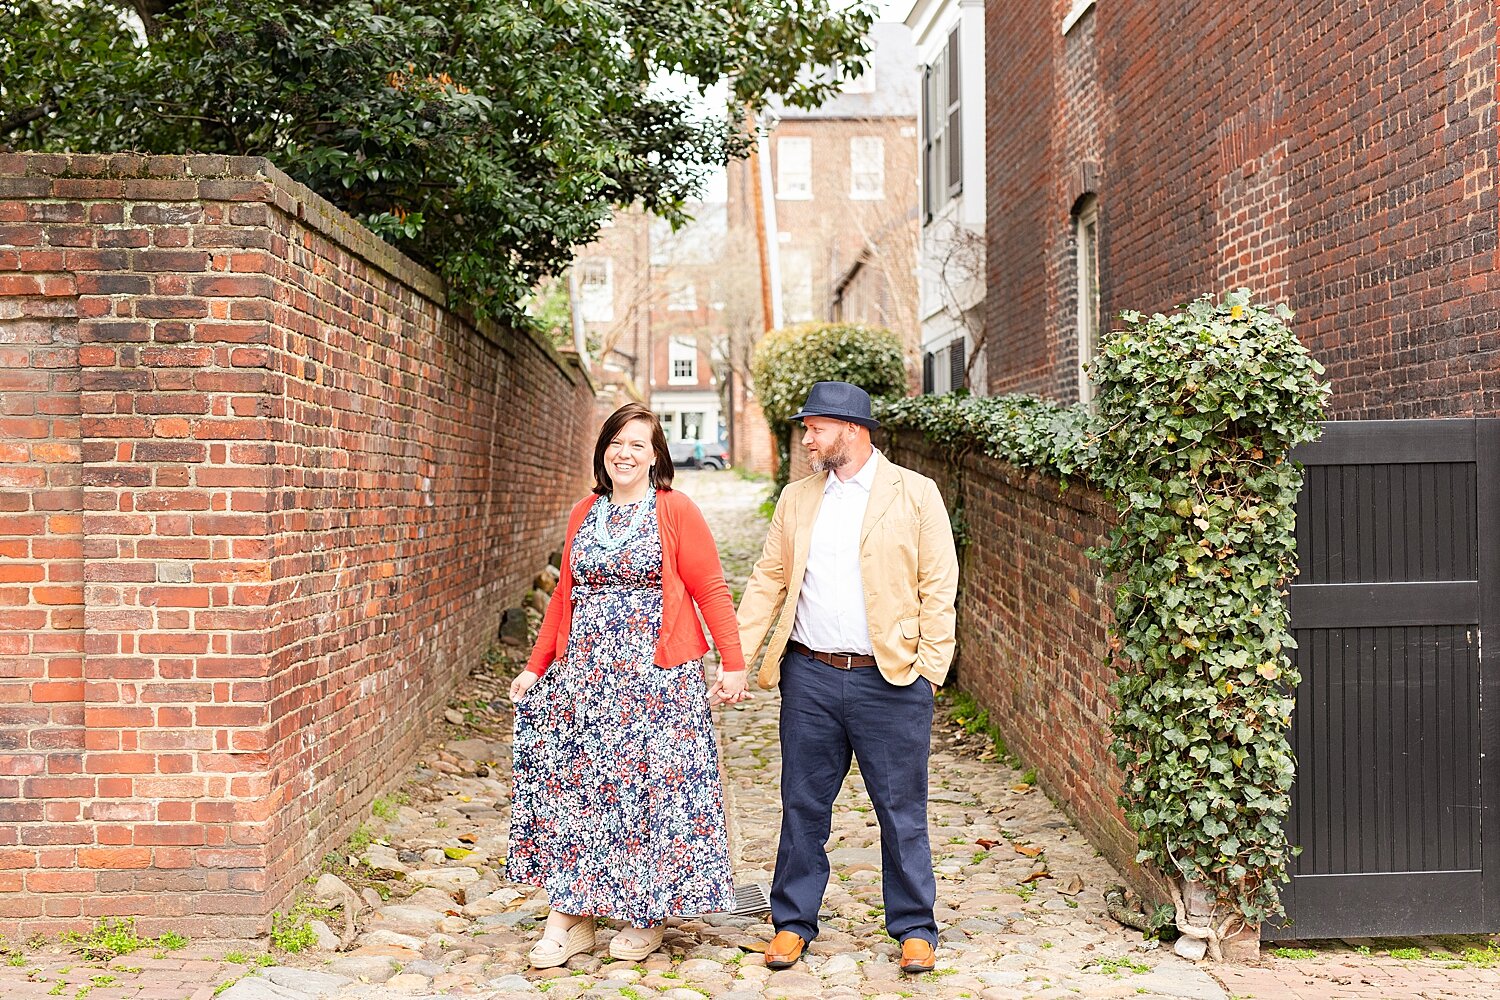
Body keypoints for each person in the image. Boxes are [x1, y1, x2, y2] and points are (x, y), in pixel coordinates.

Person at [507, 402, 750, 968]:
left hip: (659, 681)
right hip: (588, 678)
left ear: (656, 454)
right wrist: (535, 666)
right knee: (580, 792)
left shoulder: (675, 510)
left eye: (638, 443)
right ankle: (572, 912)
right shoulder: (583, 513)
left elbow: (710, 589)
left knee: (651, 798)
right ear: (603, 450)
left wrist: (732, 663)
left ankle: (649, 914)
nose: (625, 452)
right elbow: (565, 597)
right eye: (617, 441)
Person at [736, 381, 959, 974]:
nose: (806, 438)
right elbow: (769, 578)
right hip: (808, 676)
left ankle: (915, 928)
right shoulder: (797, 498)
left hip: (889, 680)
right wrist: (735, 655)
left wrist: (928, 671)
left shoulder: (915, 494)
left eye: (814, 427)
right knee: (802, 805)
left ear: (851, 429)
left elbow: (940, 586)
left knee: (900, 809)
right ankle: (791, 923)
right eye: (805, 428)